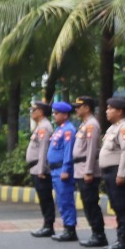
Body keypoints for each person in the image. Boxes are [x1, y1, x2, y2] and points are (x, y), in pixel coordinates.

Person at [98, 97, 125, 249]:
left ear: (119, 111)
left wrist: (121, 173)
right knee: (116, 206)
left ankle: (124, 240)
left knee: (122, 206)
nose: (107, 111)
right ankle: (120, 238)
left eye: (110, 109)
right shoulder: (113, 128)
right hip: (110, 172)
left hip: (118, 172)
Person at [73, 96, 107, 247]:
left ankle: (99, 234)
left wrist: (88, 171)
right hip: (80, 168)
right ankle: (96, 233)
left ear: (87, 108)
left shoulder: (92, 125)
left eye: (79, 106)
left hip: (87, 169)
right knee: (87, 203)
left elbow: (92, 149)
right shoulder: (85, 124)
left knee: (91, 202)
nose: (76, 109)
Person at [48, 101, 80, 241]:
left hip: (62, 168)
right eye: (54, 113)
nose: (54, 116)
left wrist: (66, 169)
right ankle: (66, 227)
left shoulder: (68, 130)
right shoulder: (59, 128)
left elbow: (68, 152)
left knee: (66, 199)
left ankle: (70, 229)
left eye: (56, 113)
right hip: (55, 169)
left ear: (65, 115)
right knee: (61, 200)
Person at [26, 100, 58, 236]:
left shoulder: (44, 127)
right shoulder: (40, 126)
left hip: (40, 169)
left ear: (40, 112)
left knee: (45, 198)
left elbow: (44, 150)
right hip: (35, 168)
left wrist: (41, 170)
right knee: (43, 198)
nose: (32, 113)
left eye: (34, 110)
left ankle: (48, 225)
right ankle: (46, 224)